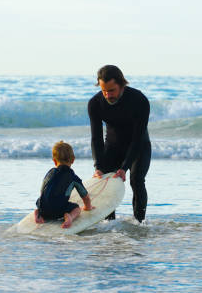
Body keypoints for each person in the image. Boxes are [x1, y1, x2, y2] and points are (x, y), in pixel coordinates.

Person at [88, 64, 151, 222]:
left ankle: (139, 224)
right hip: (113, 146)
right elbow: (96, 138)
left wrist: (124, 167)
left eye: (111, 90)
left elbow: (137, 137)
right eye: (104, 90)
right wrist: (98, 167)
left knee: (136, 180)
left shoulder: (139, 100)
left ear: (122, 85)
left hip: (139, 145)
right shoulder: (95, 103)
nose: (108, 95)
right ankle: (110, 226)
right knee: (107, 182)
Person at [35, 141, 93, 229]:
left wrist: (42, 207)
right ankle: (70, 217)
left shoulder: (50, 173)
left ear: (54, 161)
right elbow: (85, 196)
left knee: (40, 202)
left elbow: (42, 190)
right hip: (59, 211)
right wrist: (88, 207)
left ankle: (37, 214)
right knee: (77, 209)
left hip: (44, 209)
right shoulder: (73, 177)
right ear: (73, 160)